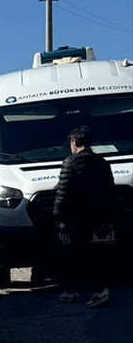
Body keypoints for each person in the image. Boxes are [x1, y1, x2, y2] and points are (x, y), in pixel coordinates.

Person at [53, 125, 116, 306]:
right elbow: (110, 191)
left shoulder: (70, 163)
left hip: (75, 218)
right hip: (98, 217)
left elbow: (63, 192)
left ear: (74, 142)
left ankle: (70, 292)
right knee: (97, 256)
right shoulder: (103, 163)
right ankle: (100, 291)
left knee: (70, 256)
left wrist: (58, 215)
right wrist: (110, 216)